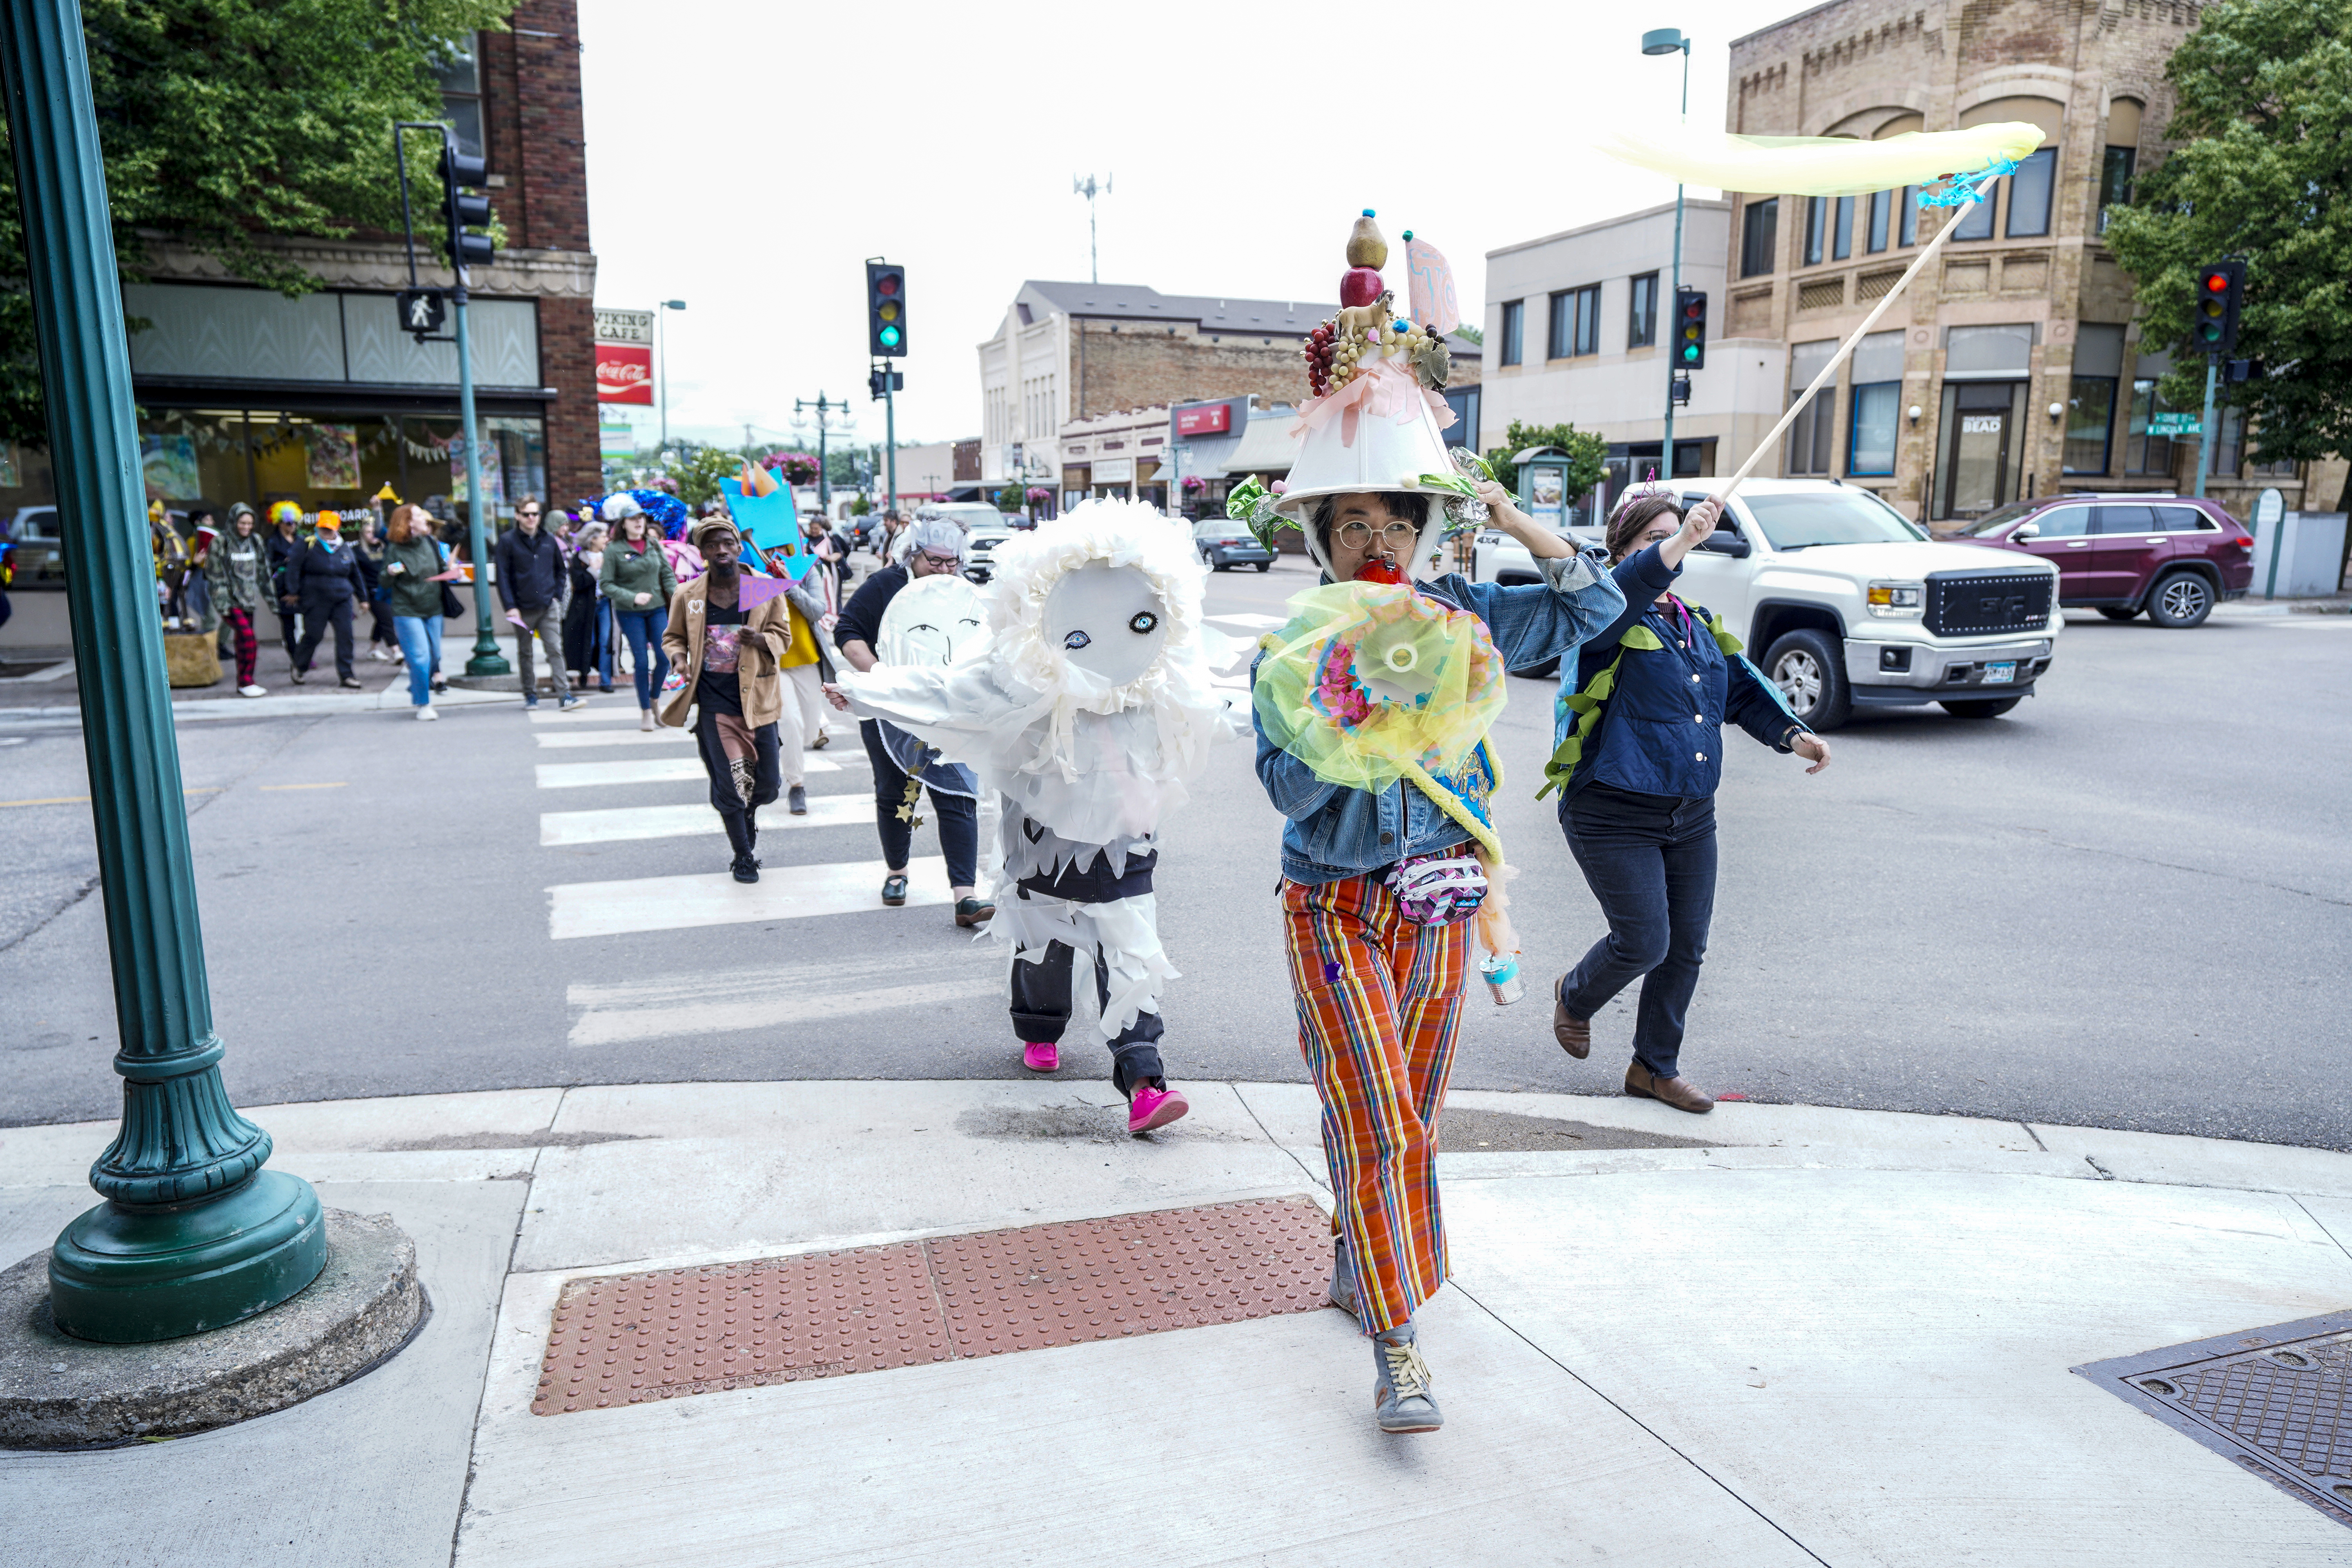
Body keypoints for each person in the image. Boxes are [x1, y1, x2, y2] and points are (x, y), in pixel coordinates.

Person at [1246, 211, 1629, 1434]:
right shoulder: (1294, 647)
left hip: (1439, 900)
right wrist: (1358, 722)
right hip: (1331, 903)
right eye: (1351, 524)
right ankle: (1399, 1342)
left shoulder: (1459, 616)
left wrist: (1509, 520)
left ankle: (1361, 1260)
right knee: (1373, 1104)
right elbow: (1284, 790)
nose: (1376, 542)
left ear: (1422, 532)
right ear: (1320, 537)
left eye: (1395, 523)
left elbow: (1593, 604)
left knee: (1406, 1101)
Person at [826, 500, 1231, 1135]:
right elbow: (948, 694)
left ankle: (1145, 1078)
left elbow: (1220, 706)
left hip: (1124, 846)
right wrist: (865, 691)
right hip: (1042, 842)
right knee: (1042, 947)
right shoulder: (1025, 676)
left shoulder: (1160, 678)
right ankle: (1039, 1029)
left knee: (1129, 954)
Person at [1543, 488, 1831, 1114]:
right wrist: (1676, 545)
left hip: (1691, 816)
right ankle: (1575, 995)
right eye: (1652, 541)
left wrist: (1792, 734)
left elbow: (1740, 693)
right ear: (1622, 553)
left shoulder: (1694, 625)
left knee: (1686, 946)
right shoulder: (1601, 616)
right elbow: (1622, 597)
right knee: (1644, 941)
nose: (1673, 550)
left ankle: (1653, 1068)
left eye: (1675, 538)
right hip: (1611, 813)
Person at [831, 515, 988, 923]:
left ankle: (965, 895)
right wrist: (881, 680)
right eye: (933, 562)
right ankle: (897, 872)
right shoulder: (885, 585)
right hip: (892, 709)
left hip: (947, 708)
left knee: (958, 794)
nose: (942, 570)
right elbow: (848, 632)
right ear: (913, 555)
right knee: (897, 793)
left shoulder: (964, 591)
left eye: (950, 562)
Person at [658, 515, 785, 883]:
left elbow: (783, 636)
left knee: (766, 786)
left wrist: (761, 640)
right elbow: (673, 638)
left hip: (758, 697)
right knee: (730, 785)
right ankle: (743, 856)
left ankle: (749, 814)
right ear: (703, 554)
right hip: (713, 701)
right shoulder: (688, 595)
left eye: (727, 543)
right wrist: (679, 658)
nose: (721, 551)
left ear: (739, 547)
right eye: (712, 546)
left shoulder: (765, 588)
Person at [599, 495, 678, 732]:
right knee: (642, 662)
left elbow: (666, 574)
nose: (638, 523)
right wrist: (631, 597)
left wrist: (677, 597)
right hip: (630, 612)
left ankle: (655, 701)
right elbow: (606, 584)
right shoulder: (614, 550)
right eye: (633, 519)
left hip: (656, 609)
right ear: (623, 523)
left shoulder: (653, 545)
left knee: (666, 658)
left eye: (641, 518)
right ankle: (645, 711)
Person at [494, 496, 577, 710]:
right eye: (526, 514)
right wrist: (510, 606)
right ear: (517, 516)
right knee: (526, 651)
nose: (531, 518)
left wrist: (556, 595)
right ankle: (530, 694)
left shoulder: (549, 539)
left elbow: (561, 570)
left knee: (555, 649)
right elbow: (502, 577)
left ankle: (564, 694)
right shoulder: (507, 541)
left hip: (548, 604)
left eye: (535, 514)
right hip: (521, 607)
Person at [379, 503, 452, 720]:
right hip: (407, 610)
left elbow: (442, 568)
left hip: (433, 608)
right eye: (420, 516)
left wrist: (451, 570)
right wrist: (390, 572)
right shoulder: (395, 548)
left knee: (434, 656)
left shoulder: (430, 542)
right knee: (420, 658)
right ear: (408, 523)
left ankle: (417, 684)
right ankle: (423, 703)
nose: (425, 520)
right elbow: (383, 581)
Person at [285, 510, 366, 687]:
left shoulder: (344, 548)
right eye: (323, 528)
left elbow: (355, 574)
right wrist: (293, 591)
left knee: (346, 635)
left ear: (337, 529)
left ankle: (347, 675)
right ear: (317, 527)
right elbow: (294, 568)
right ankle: (300, 665)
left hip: (342, 598)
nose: (327, 533)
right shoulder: (307, 544)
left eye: (330, 529)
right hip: (315, 598)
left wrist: (363, 598)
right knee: (314, 635)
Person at [203, 503, 269, 697]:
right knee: (249, 638)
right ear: (234, 521)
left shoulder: (256, 541)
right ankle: (248, 681)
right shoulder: (220, 542)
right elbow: (214, 575)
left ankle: (244, 683)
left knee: (243, 641)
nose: (246, 528)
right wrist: (222, 604)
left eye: (250, 524)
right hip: (229, 600)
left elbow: (264, 570)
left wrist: (272, 599)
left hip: (249, 599)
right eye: (242, 523)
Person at [563, 522, 615, 695]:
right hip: (586, 605)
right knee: (589, 641)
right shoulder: (579, 558)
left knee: (606, 641)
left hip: (606, 602)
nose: (606, 540)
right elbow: (578, 583)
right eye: (603, 536)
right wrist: (595, 570)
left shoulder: (609, 556)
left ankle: (606, 681)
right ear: (593, 539)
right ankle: (584, 673)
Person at [266, 501, 305, 662]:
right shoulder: (273, 542)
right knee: (289, 625)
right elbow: (267, 566)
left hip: (303, 585)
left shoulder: (301, 539)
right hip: (283, 587)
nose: (293, 526)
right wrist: (285, 563)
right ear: (280, 523)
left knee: (310, 623)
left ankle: (305, 653)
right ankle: (296, 657)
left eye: (296, 522)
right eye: (289, 523)